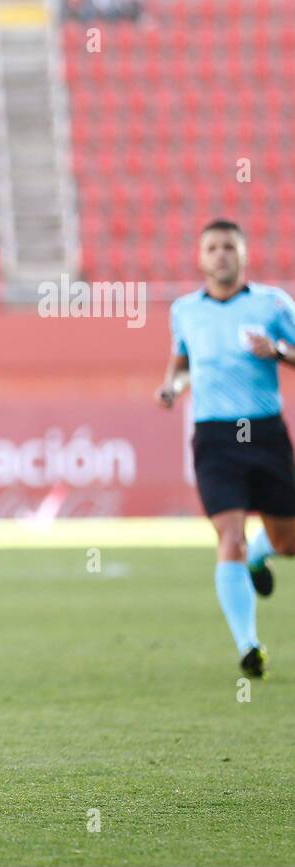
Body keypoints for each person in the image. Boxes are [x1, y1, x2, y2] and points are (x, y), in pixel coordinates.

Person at [155, 219, 295, 678]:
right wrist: (172, 388)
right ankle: (248, 645)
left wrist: (276, 351)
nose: (220, 255)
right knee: (227, 538)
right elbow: (181, 365)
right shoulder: (185, 311)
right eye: (212, 247)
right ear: (200, 257)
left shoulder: (273, 304)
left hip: (264, 433)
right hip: (215, 437)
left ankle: (263, 553)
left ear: (243, 254)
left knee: (287, 542)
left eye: (228, 247)